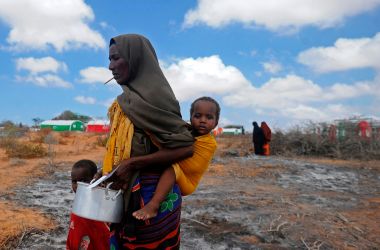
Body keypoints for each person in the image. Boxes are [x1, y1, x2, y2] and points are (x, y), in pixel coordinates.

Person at [103, 34, 194, 249]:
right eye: (109, 59)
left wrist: (132, 164)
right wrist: (105, 171)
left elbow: (185, 147)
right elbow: (124, 147)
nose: (110, 66)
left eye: (116, 58)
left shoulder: (156, 96)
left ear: (136, 59)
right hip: (126, 193)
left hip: (154, 198)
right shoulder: (126, 100)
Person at [132, 96, 220, 220]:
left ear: (216, 123)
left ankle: (153, 205)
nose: (203, 120)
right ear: (190, 118)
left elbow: (192, 165)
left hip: (188, 181)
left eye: (209, 117)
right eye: (198, 116)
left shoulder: (209, 143)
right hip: (181, 172)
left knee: (172, 168)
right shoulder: (185, 133)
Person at [66, 159, 110, 250]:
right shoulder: (77, 207)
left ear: (95, 180)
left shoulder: (101, 207)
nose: (78, 186)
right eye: (74, 182)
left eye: (83, 181)